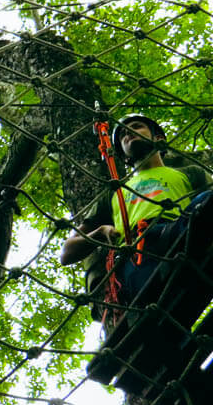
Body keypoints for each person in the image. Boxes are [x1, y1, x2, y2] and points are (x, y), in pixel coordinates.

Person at [60, 114, 211, 319]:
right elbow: (67, 253)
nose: (128, 134)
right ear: (123, 155)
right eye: (122, 135)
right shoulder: (114, 193)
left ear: (158, 139)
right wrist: (100, 232)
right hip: (137, 257)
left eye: (137, 127)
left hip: (181, 234)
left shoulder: (190, 173)